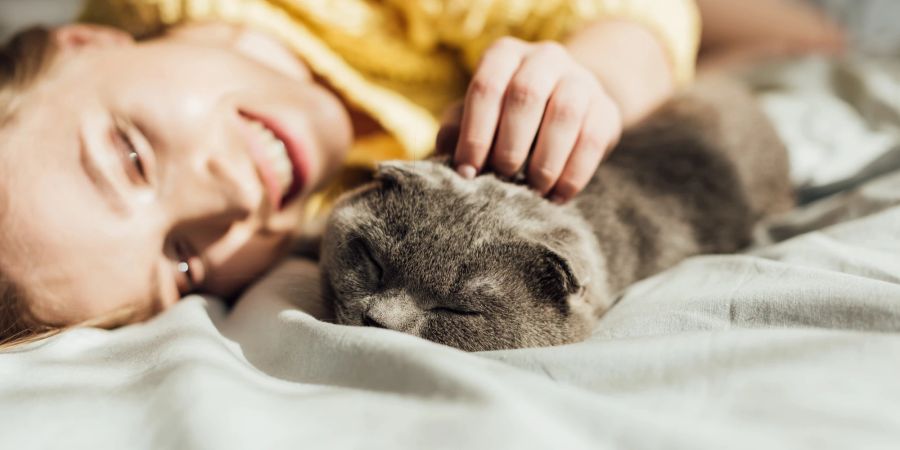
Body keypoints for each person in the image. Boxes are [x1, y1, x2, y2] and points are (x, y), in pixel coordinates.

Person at [0, 0, 843, 347]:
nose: (228, 202)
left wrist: (590, 74)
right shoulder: (305, 217)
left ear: (88, 44)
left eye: (133, 158)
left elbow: (631, 19)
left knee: (791, 40)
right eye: (181, 260)